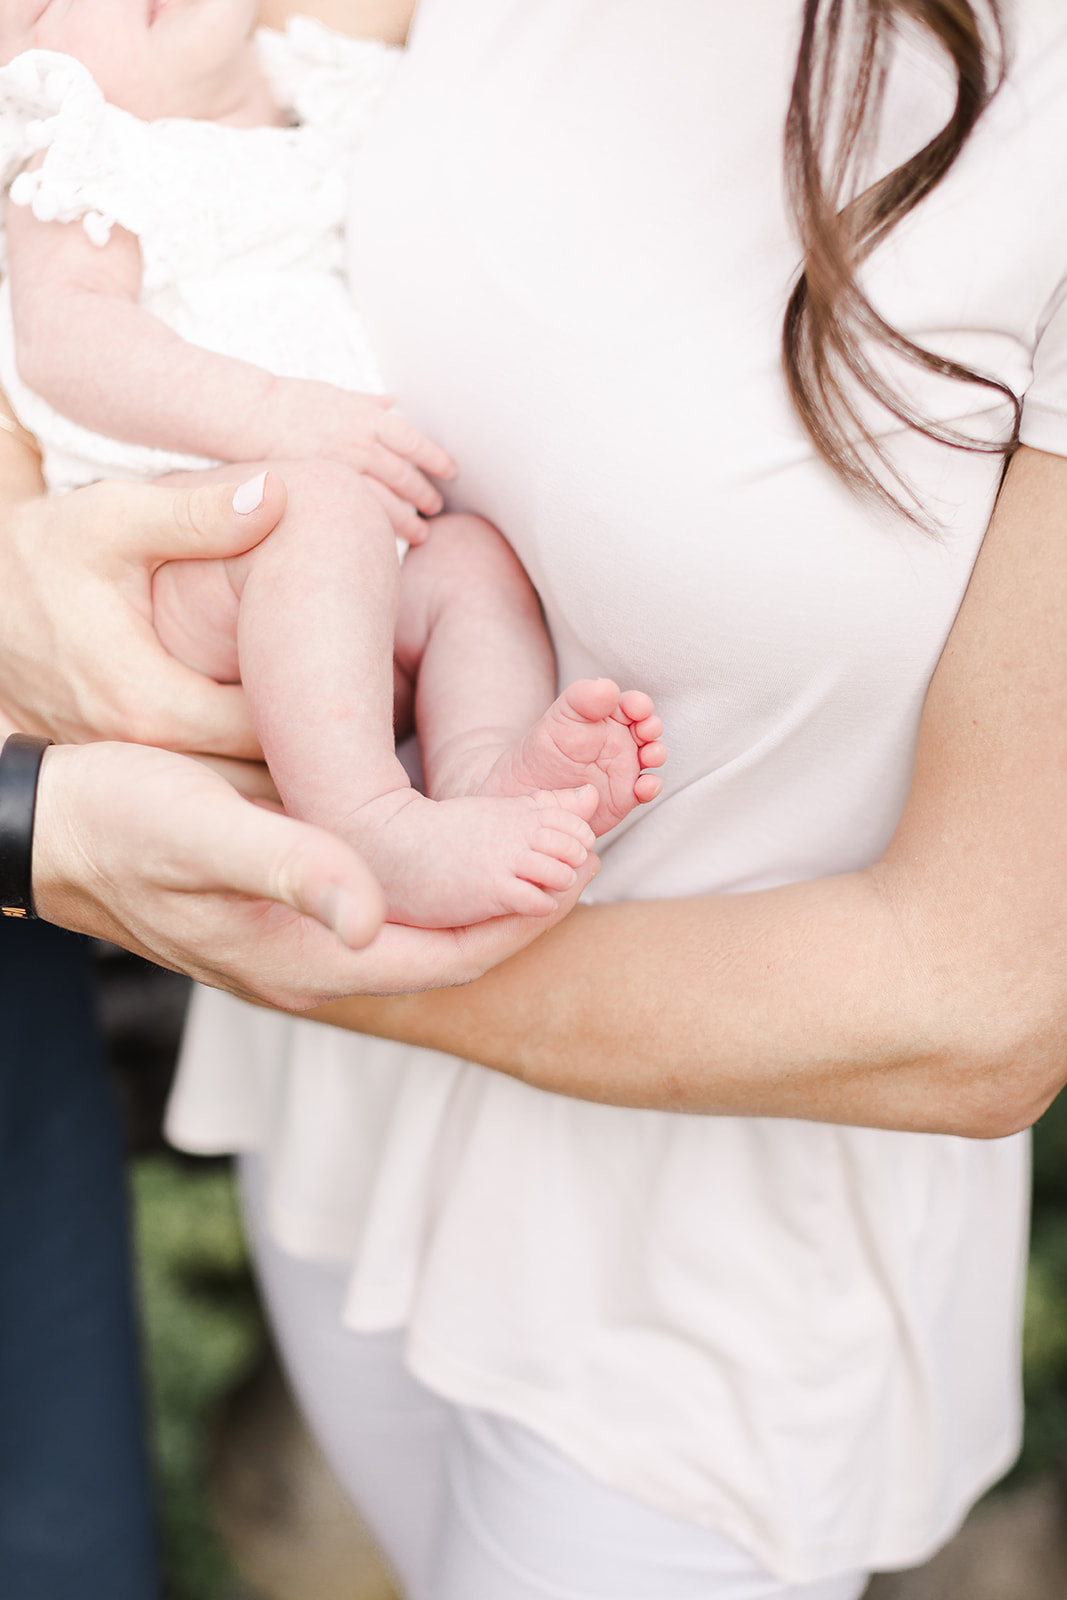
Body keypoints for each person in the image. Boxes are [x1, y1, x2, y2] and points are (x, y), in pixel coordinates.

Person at [162, 0, 1067, 1597]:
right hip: (339, 1121)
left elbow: (979, 999)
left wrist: (277, 926)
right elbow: (88, 129)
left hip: (699, 1274)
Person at [0, 17, 664, 929]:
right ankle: (370, 825)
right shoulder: (86, 150)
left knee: (469, 560)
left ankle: (475, 773)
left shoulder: (312, 79)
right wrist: (278, 414)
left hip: (342, 558)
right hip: (183, 571)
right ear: (29, 76)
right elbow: (64, 343)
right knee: (321, 512)